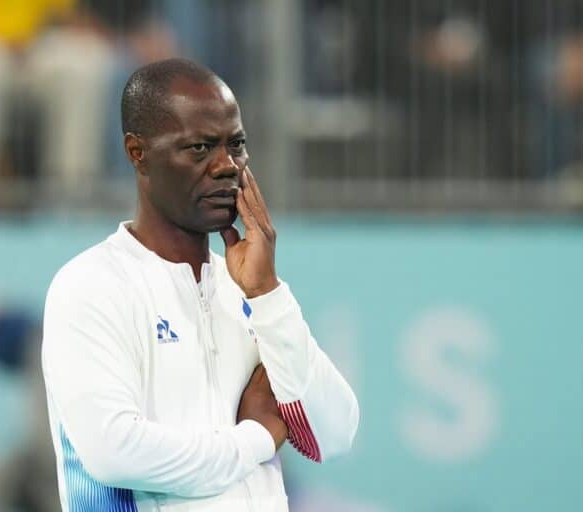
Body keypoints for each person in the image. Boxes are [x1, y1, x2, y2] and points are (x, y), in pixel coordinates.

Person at [41, 58, 359, 511]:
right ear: (137, 152)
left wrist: (267, 294)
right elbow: (114, 451)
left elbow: (334, 434)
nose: (227, 166)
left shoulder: (249, 291)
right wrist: (256, 438)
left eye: (237, 145)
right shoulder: (90, 285)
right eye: (199, 148)